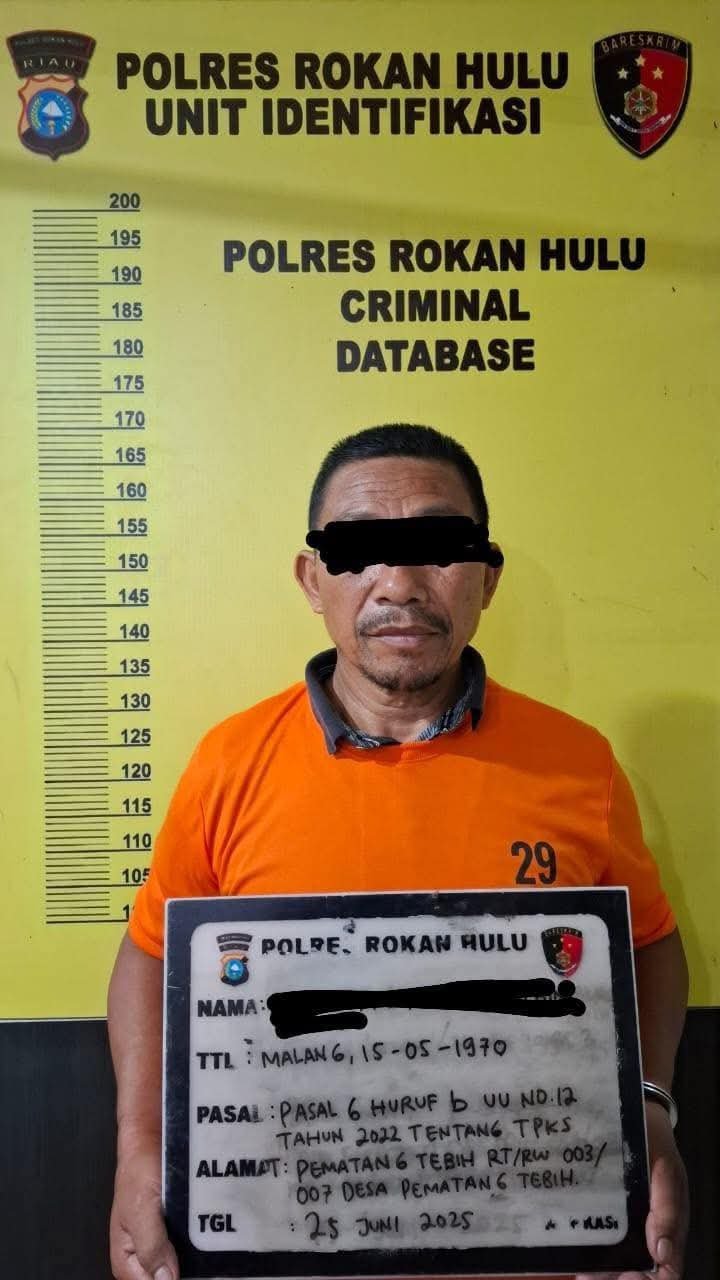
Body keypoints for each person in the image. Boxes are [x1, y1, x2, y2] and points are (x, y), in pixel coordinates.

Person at [108, 423, 689, 1280]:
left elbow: (649, 941)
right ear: (313, 579)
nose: (400, 584)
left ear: (488, 576)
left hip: (533, 1245)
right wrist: (139, 1149)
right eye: (359, 550)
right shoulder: (228, 764)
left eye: (439, 547)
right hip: (284, 1243)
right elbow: (153, 952)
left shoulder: (579, 765)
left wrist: (650, 1111)